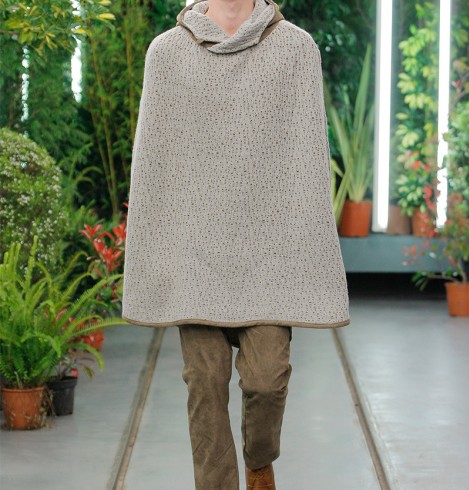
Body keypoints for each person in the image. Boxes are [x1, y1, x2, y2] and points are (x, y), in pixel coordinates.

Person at [121, 0, 351, 488]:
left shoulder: (295, 49)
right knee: (204, 386)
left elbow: (308, 157)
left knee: (267, 381)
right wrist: (157, 250)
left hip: (267, 252)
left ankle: (259, 460)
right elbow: (154, 161)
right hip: (195, 252)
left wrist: (305, 243)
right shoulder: (167, 52)